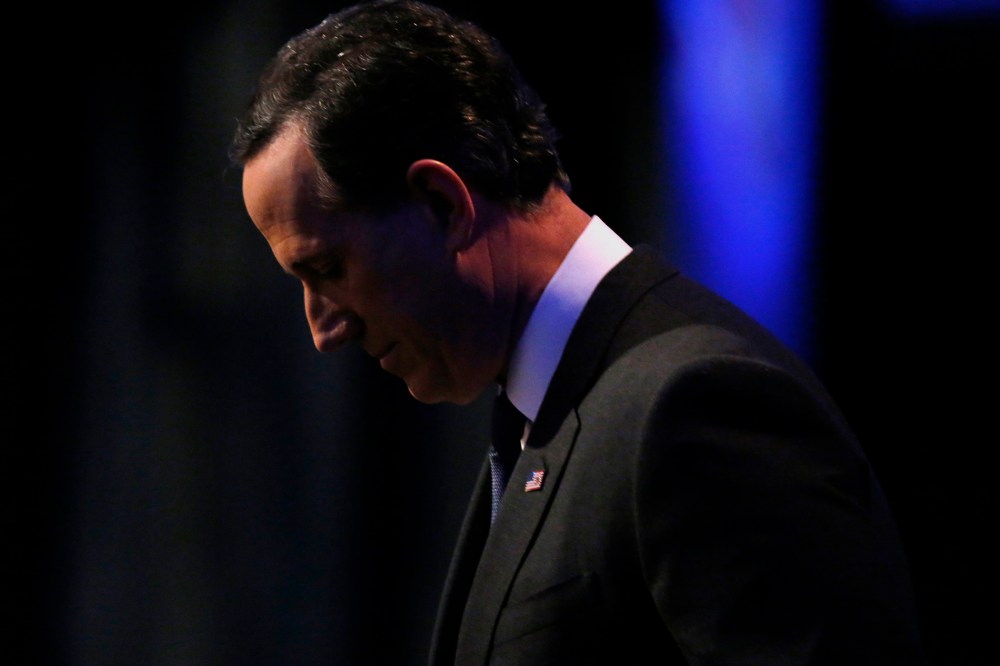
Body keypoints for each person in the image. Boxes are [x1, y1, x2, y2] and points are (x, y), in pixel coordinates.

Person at [229, 1, 926, 663]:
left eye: (327, 267)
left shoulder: (698, 405)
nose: (324, 327)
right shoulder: (554, 408)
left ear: (442, 205)